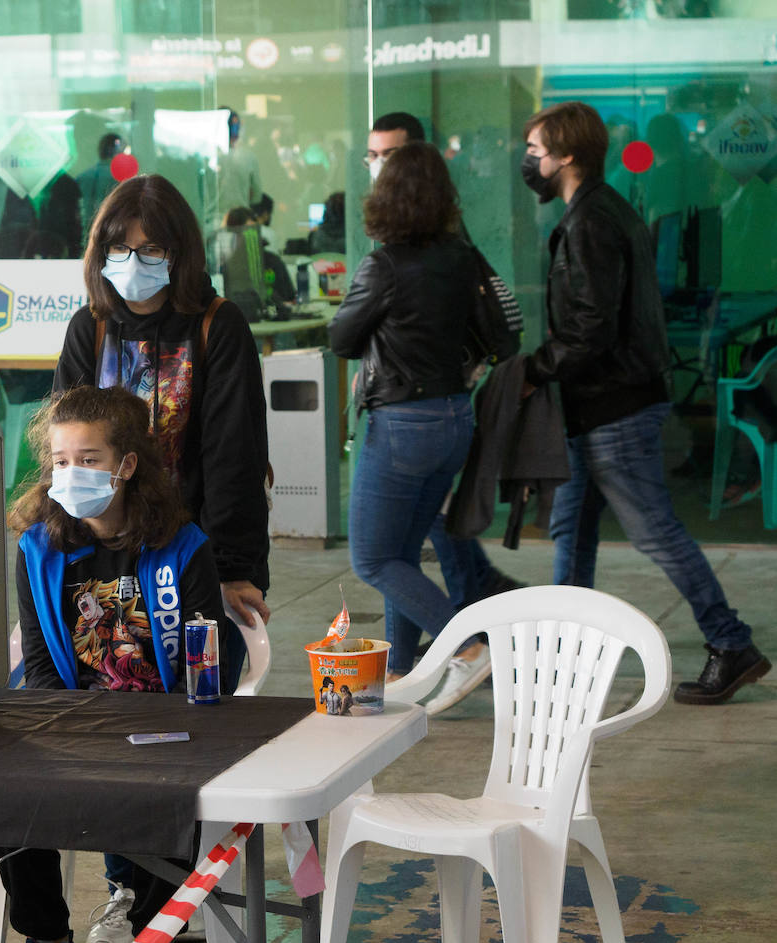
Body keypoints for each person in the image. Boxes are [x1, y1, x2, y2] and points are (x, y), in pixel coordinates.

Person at [519, 101, 769, 705]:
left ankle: (730, 642)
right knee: (570, 532)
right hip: (597, 403)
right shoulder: (597, 211)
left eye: (535, 151)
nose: (528, 161)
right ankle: (565, 656)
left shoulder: (592, 222)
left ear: (567, 155)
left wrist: (534, 368)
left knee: (655, 532)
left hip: (614, 406)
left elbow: (592, 326)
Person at [0, 384, 222, 943]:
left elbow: (209, 663)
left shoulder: (183, 547)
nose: (71, 474)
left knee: (175, 788)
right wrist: (79, 734)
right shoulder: (39, 550)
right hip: (76, 722)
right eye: (60, 461)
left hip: (165, 726)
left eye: (88, 459)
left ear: (126, 465)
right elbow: (39, 670)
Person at [55, 174, 270, 641]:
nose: (133, 262)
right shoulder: (89, 327)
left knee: (198, 695)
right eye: (118, 248)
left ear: (179, 252)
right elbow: (66, 450)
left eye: (151, 249)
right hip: (107, 560)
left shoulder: (219, 326)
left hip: (195, 559)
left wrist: (232, 569)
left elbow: (234, 457)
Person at [328, 141, 491, 711]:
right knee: (399, 550)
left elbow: (342, 338)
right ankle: (401, 668)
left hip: (401, 422)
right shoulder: (462, 257)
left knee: (371, 558)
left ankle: (468, 647)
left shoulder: (385, 264)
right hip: (454, 417)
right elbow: (495, 332)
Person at [363, 111, 524, 618]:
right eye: (372, 156)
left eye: (389, 155)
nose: (379, 166)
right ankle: (424, 648)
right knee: (417, 537)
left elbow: (470, 318)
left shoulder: (439, 236)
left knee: (391, 549)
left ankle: (468, 628)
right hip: (429, 400)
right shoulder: (401, 228)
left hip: (424, 404)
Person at [76, 132, 123, 240]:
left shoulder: (82, 177)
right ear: (117, 151)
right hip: (111, 233)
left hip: (85, 233)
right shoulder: (121, 180)